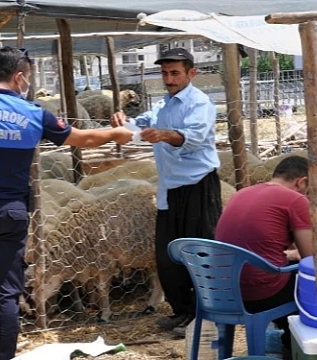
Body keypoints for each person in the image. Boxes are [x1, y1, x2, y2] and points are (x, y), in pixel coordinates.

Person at [0, 46, 133, 360]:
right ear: (19, 76)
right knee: (5, 296)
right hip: (11, 212)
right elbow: (82, 138)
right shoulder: (34, 113)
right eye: (29, 77)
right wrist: (115, 133)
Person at [110, 47, 222, 336]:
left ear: (191, 73)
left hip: (198, 186)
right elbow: (142, 123)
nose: (169, 79)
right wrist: (124, 123)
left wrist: (164, 135)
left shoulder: (199, 103)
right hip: (171, 188)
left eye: (174, 73)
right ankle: (181, 310)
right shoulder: (164, 105)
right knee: (168, 254)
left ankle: (205, 314)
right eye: (164, 73)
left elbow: (194, 138)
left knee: (199, 251)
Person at [215, 155, 314, 359]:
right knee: (314, 285)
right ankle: (293, 345)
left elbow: (251, 246)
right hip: (259, 295)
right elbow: (311, 258)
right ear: (301, 181)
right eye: (308, 189)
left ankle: (280, 340)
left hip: (220, 292)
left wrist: (289, 254)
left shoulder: (242, 193)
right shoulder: (296, 200)